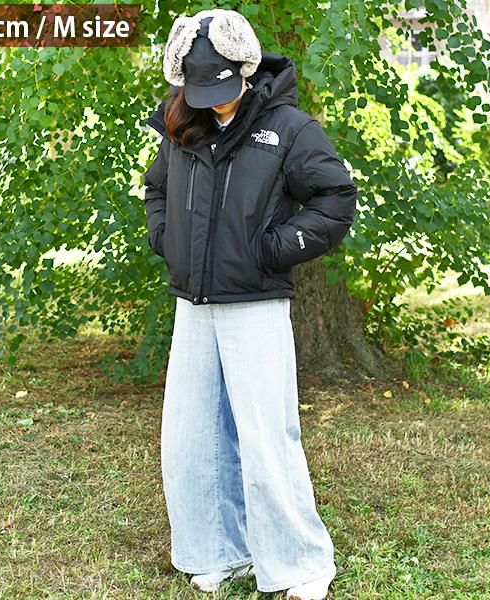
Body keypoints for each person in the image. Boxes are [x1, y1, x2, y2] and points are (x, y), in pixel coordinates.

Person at [141, 8, 358, 600]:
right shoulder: (181, 122)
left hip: (255, 301)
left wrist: (274, 249)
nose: (212, 101)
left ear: (244, 68)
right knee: (191, 438)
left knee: (266, 438)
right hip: (193, 303)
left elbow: (335, 198)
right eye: (199, 88)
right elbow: (157, 189)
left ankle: (301, 566)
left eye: (221, 86)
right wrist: (166, 238)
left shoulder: (289, 128)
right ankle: (219, 552)